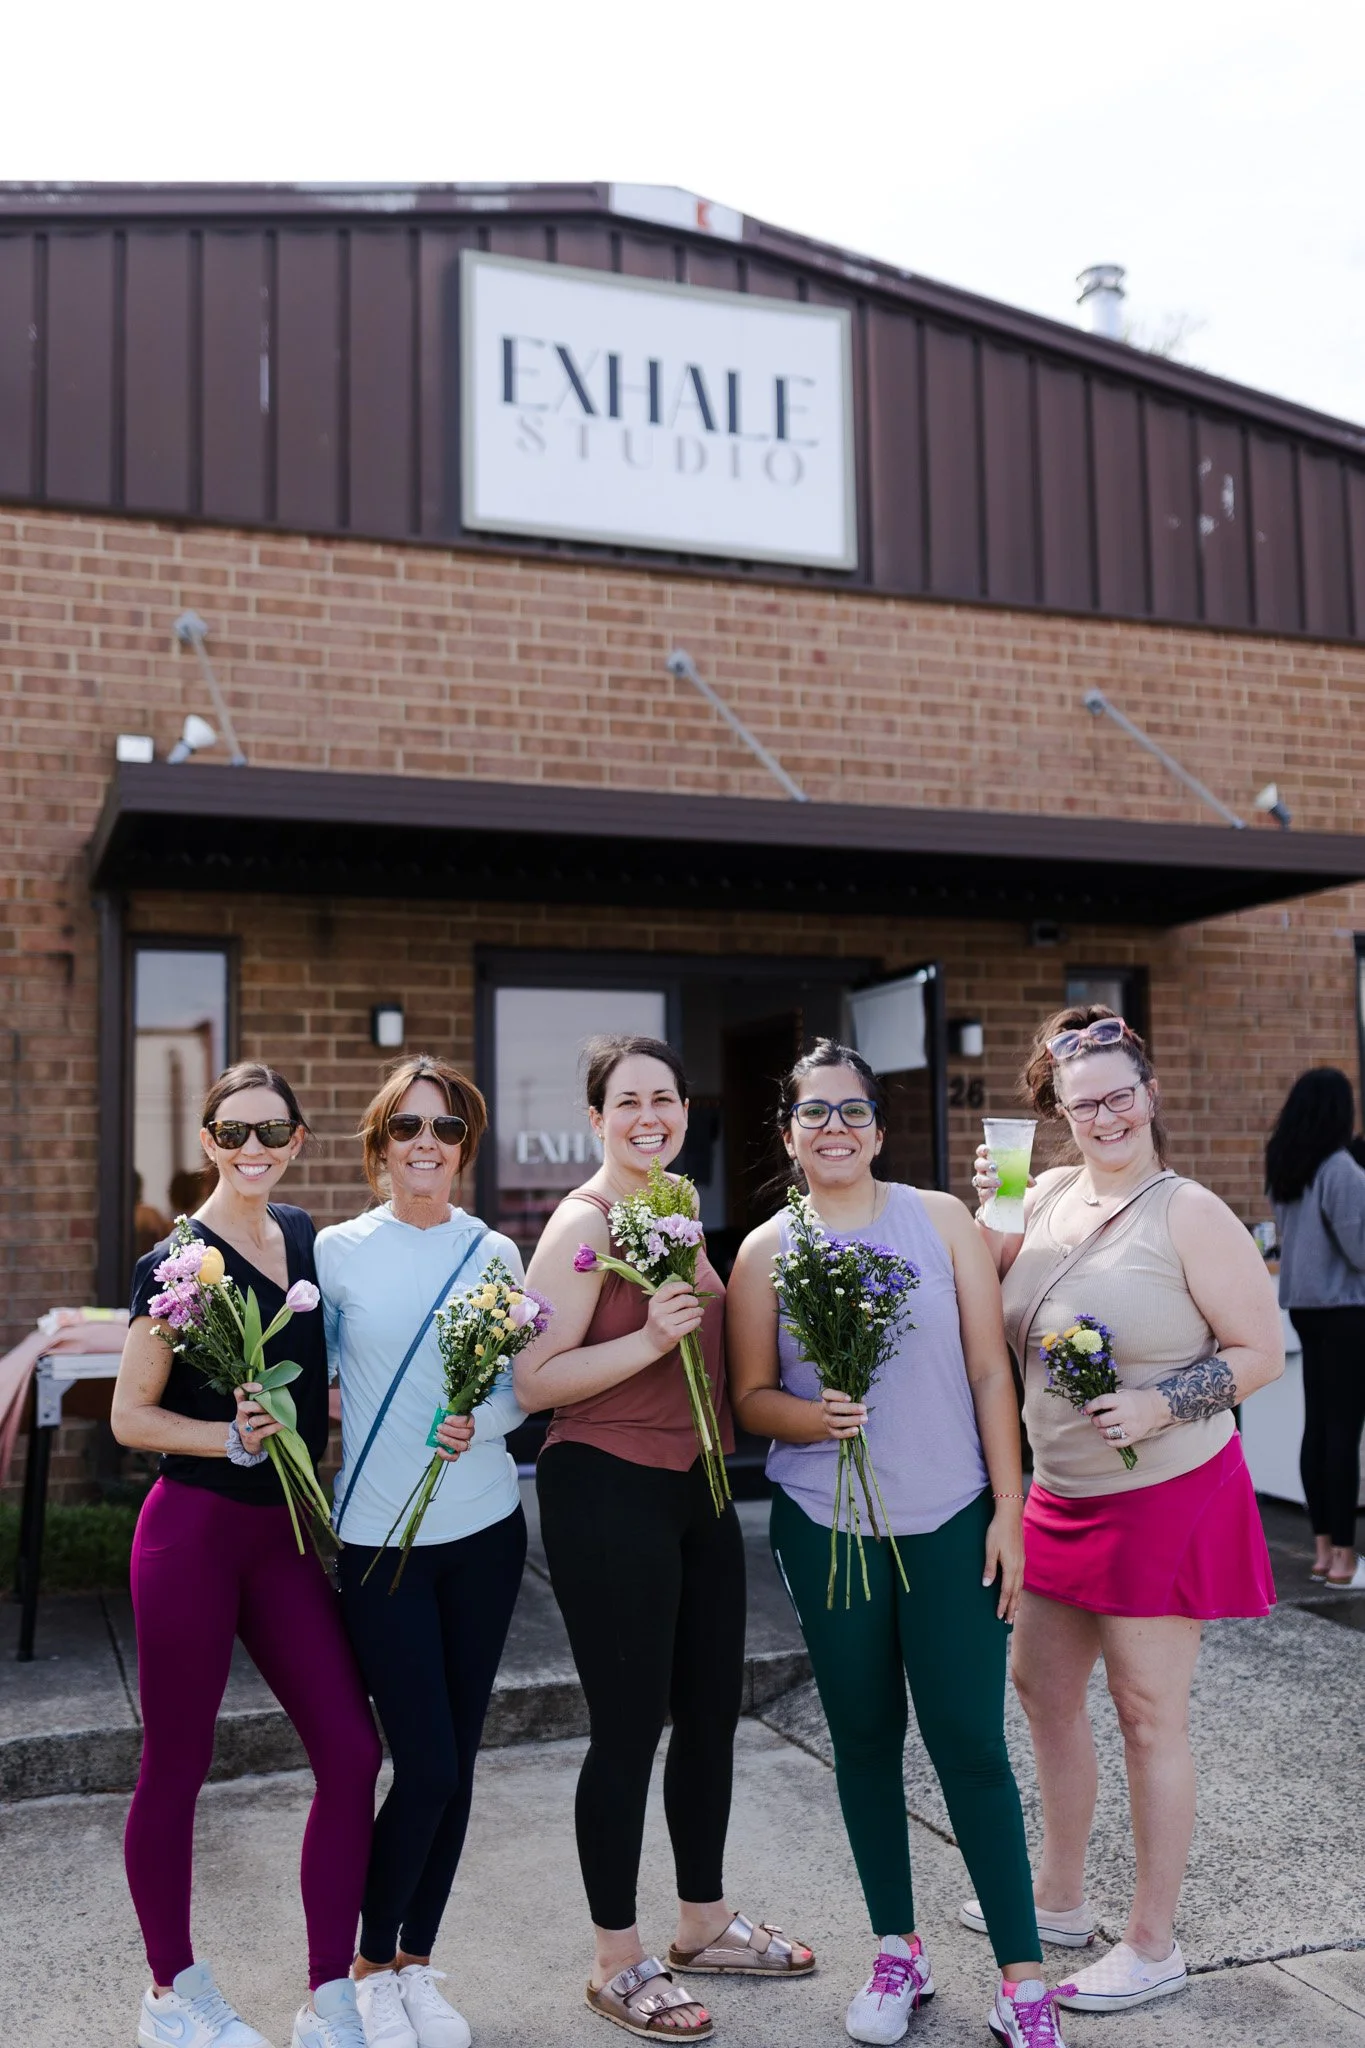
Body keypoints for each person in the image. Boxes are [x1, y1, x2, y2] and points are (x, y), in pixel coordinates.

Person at [726, 1038, 1062, 2048]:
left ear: (879, 1125)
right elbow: (750, 1399)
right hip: (830, 1530)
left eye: (855, 1109)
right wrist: (810, 1415)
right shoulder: (764, 1250)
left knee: (969, 1742)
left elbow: (992, 1373)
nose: (836, 1126)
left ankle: (1024, 1977)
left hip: (953, 1516)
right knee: (864, 1739)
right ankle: (897, 1949)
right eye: (815, 1112)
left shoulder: (943, 1219)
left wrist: (1012, 1505)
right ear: (788, 1133)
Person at [969, 1006, 1282, 2015]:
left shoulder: (1187, 1209)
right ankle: (1059, 1898)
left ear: (1148, 1095)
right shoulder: (1044, 1187)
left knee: (1149, 1713)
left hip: (1165, 1490)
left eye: (1117, 1094)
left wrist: (1161, 1397)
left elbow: (1259, 1351)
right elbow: (991, 1299)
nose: (1101, 1114)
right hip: (1061, 1490)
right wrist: (993, 1220)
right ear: (1056, 1111)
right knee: (1040, 1685)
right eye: (1080, 1101)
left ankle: (1153, 1941)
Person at [517, 1035, 813, 2041]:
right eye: (628, 1101)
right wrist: (645, 1337)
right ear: (596, 1117)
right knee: (628, 1722)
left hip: (698, 1486)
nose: (651, 1115)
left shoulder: (675, 1209)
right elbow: (532, 1381)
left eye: (666, 1099)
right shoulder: (583, 1223)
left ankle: (703, 1921)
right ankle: (615, 1958)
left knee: (709, 1709)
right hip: (607, 1485)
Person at [112, 1062, 382, 2048]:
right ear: (207, 1140)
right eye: (234, 1130)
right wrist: (226, 1435)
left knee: (353, 1754)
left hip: (286, 1538)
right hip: (192, 1533)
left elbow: (342, 1373)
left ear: (300, 1138)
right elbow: (129, 1412)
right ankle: (170, 1990)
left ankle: (328, 1992)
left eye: (272, 1130)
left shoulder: (313, 1240)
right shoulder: (175, 1261)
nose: (253, 1147)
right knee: (177, 1761)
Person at [316, 1055, 527, 2048]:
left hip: (483, 1532)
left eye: (445, 1127)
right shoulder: (337, 1252)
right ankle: (365, 1962)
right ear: (380, 1143)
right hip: (381, 1541)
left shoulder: (495, 1251)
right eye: (408, 1127)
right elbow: (308, 1385)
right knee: (427, 1763)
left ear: (465, 1145)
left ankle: (415, 1962)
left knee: (462, 1758)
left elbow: (519, 1392)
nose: (427, 1143)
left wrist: (477, 1424)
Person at [1266, 1067, 1365, 1589]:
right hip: (1348, 1311)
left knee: (1321, 1427)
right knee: (1343, 1433)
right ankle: (1347, 1561)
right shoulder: (1339, 1170)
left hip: (1306, 1308)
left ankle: (1326, 1552)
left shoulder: (1288, 1167)